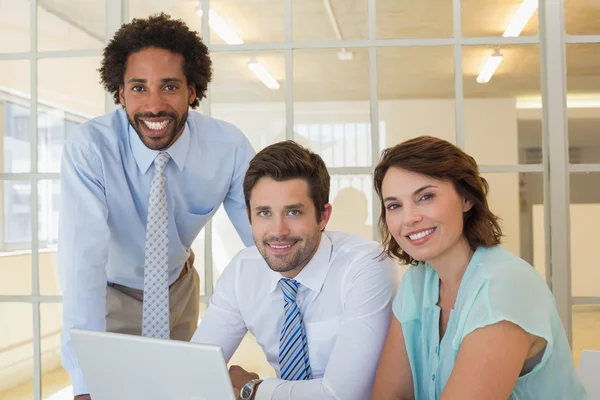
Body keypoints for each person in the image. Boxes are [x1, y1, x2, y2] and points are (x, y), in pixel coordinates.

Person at [58, 13, 255, 399]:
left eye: (169, 86)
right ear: (120, 92)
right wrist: (83, 383)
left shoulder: (227, 148)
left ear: (192, 91)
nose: (153, 105)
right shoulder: (90, 149)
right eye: (138, 87)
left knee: (175, 392)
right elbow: (83, 265)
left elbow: (265, 241)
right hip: (110, 294)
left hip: (178, 290)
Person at [370, 136, 587, 399]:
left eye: (426, 196)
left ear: (466, 199)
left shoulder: (505, 286)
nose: (410, 218)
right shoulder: (417, 280)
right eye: (394, 205)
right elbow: (389, 395)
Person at [191, 140, 396, 399]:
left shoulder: (366, 265)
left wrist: (252, 390)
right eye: (264, 213)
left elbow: (342, 396)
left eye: (293, 212)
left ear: (323, 216)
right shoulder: (243, 270)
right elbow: (195, 370)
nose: (278, 231)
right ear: (249, 216)